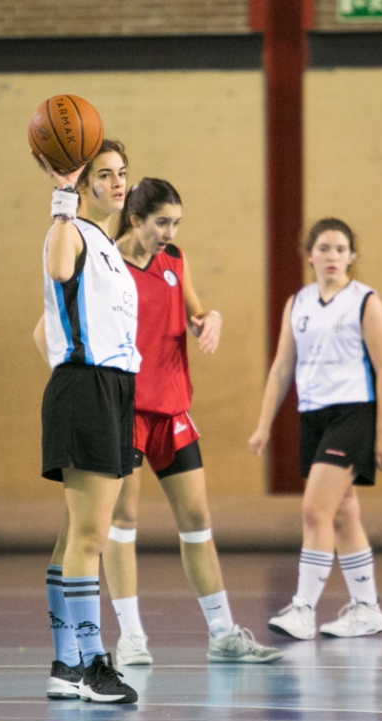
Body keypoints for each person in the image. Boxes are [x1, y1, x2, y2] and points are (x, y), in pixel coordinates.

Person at [98, 177, 281, 666]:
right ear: (135, 220)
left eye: (176, 223)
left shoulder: (175, 260)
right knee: (123, 521)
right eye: (161, 222)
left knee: (197, 519)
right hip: (126, 410)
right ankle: (131, 636)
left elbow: (195, 310)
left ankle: (222, 633)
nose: (169, 232)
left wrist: (210, 318)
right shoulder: (107, 263)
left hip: (172, 408)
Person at [249, 218, 382, 640]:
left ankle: (303, 609)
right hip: (312, 416)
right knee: (345, 513)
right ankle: (367, 608)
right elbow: (281, 368)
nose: (332, 256)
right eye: (324, 248)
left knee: (315, 511)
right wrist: (263, 425)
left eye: (340, 248)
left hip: (353, 414)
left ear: (352, 256)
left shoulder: (366, 302)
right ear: (308, 253)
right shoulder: (298, 303)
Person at [35, 139, 141, 705]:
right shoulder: (70, 229)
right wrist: (60, 195)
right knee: (91, 537)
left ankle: (65, 664)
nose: (118, 183)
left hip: (110, 388)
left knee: (74, 535)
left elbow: (42, 328)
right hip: (88, 386)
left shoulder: (106, 246)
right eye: (104, 174)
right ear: (84, 184)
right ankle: (95, 662)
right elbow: (55, 267)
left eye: (122, 173)